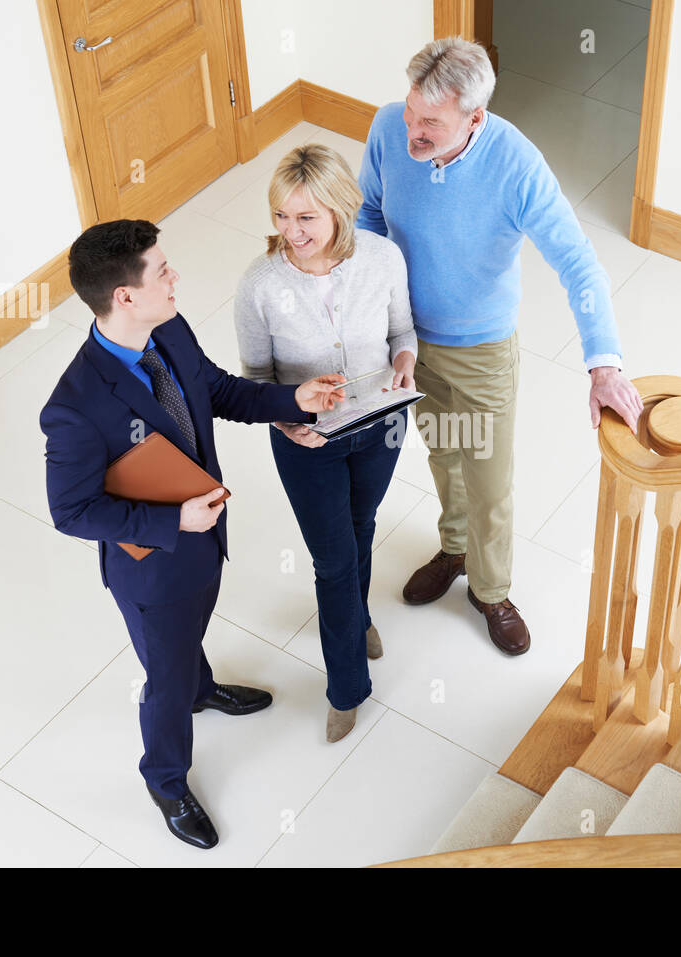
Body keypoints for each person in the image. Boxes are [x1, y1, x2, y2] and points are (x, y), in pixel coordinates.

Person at [40, 219, 346, 850]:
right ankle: (166, 779)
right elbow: (71, 511)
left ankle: (203, 689)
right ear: (124, 296)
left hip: (205, 541)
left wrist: (296, 401)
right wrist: (172, 521)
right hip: (153, 569)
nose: (176, 276)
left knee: (188, 646)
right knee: (165, 679)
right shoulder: (72, 406)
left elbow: (217, 392)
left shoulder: (169, 329)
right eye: (162, 270)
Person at [356, 37, 644, 656]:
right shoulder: (388, 128)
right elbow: (369, 217)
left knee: (488, 480)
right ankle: (453, 548)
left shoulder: (515, 165)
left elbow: (580, 265)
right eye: (411, 113)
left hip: (481, 352)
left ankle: (490, 590)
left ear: (475, 118)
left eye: (430, 122)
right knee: (442, 454)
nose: (413, 131)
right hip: (409, 342)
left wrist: (603, 364)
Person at [234, 144, 417, 743]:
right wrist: (287, 421)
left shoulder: (383, 258)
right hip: (307, 440)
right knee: (333, 559)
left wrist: (406, 361)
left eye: (306, 218)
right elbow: (257, 380)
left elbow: (401, 331)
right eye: (282, 217)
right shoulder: (260, 285)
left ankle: (359, 615)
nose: (291, 232)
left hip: (380, 425)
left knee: (362, 524)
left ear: (341, 209)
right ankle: (346, 688)